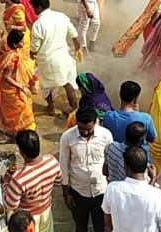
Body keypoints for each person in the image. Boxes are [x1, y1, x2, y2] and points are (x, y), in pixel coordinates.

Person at [60, 99, 113, 232]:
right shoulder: (67, 138)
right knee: (80, 226)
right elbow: (64, 165)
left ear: (95, 122)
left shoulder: (106, 135)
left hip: (101, 191)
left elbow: (110, 161)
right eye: (81, 129)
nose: (84, 133)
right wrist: (66, 194)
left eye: (88, 129)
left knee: (100, 227)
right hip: (78, 192)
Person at [0, 28, 38, 135]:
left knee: (14, 108)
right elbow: (7, 77)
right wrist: (21, 87)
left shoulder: (8, 49)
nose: (23, 43)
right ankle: (19, 130)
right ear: (15, 44)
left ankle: (19, 128)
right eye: (21, 41)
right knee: (19, 108)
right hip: (10, 89)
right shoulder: (11, 58)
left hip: (11, 86)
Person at [30, 0, 82, 116]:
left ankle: (50, 107)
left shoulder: (38, 24)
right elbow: (74, 34)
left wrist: (31, 55)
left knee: (46, 86)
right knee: (67, 82)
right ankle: (73, 107)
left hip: (48, 60)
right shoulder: (61, 16)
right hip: (64, 57)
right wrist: (77, 49)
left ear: (38, 7)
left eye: (33, 8)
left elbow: (35, 47)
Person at [102, 146, 161, 232]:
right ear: (146, 168)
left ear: (126, 167)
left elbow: (108, 225)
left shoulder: (112, 189)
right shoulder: (159, 196)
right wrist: (153, 179)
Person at [2, 130, 62, 232]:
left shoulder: (18, 178)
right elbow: (58, 182)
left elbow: (11, 205)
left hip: (26, 220)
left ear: (21, 152)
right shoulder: (52, 161)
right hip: (46, 211)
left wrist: (7, 183)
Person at [102, 81, 157, 161]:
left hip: (116, 160)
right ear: (135, 99)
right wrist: (138, 114)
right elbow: (153, 139)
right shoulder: (145, 118)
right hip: (140, 162)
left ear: (120, 95)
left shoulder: (108, 116)